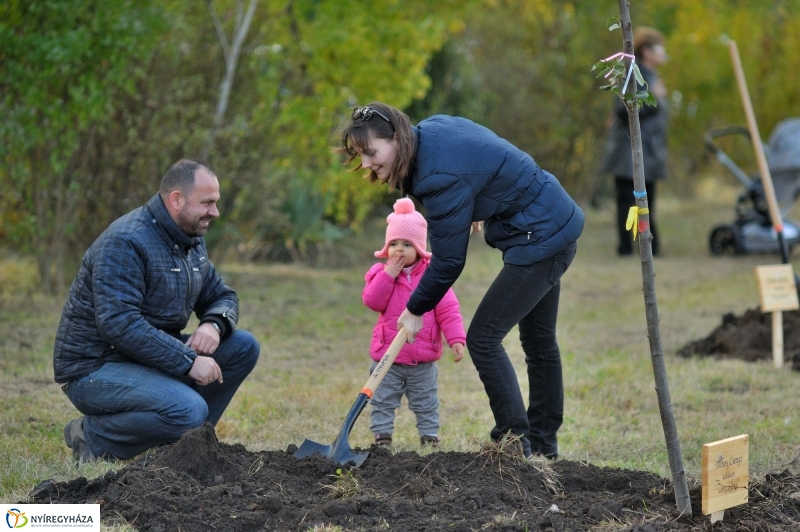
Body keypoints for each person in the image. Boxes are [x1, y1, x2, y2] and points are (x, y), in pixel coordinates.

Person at [338, 103, 584, 459]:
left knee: (484, 339)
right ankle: (542, 450)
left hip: (541, 236)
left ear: (397, 139)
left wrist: (415, 307)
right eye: (360, 156)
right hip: (550, 217)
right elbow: (482, 156)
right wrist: (476, 201)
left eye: (371, 153)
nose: (366, 164)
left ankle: (515, 442)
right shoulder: (431, 132)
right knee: (539, 341)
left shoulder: (438, 177)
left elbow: (449, 262)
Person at [53, 159, 260, 463]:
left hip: (147, 358)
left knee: (243, 346)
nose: (215, 212)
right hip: (94, 367)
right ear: (177, 199)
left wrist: (213, 325)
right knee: (189, 409)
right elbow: (119, 324)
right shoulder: (126, 241)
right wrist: (189, 361)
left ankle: (182, 446)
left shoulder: (190, 240)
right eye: (208, 203)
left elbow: (222, 296)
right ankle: (90, 436)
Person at [363, 197, 466, 448]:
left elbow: (448, 309)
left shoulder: (433, 278)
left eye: (407, 244)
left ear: (419, 248)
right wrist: (389, 275)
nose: (399, 249)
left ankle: (429, 436)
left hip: (423, 359)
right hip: (388, 358)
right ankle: (382, 437)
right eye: (394, 244)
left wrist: (456, 339)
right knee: (383, 399)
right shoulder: (380, 274)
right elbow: (373, 301)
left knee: (426, 400)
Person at [601, 26, 669, 256]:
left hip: (647, 153)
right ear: (647, 51)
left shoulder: (650, 75)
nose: (663, 53)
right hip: (628, 153)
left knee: (646, 203)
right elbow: (624, 109)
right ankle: (626, 248)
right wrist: (654, 99)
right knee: (626, 202)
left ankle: (649, 246)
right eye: (659, 48)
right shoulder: (633, 73)